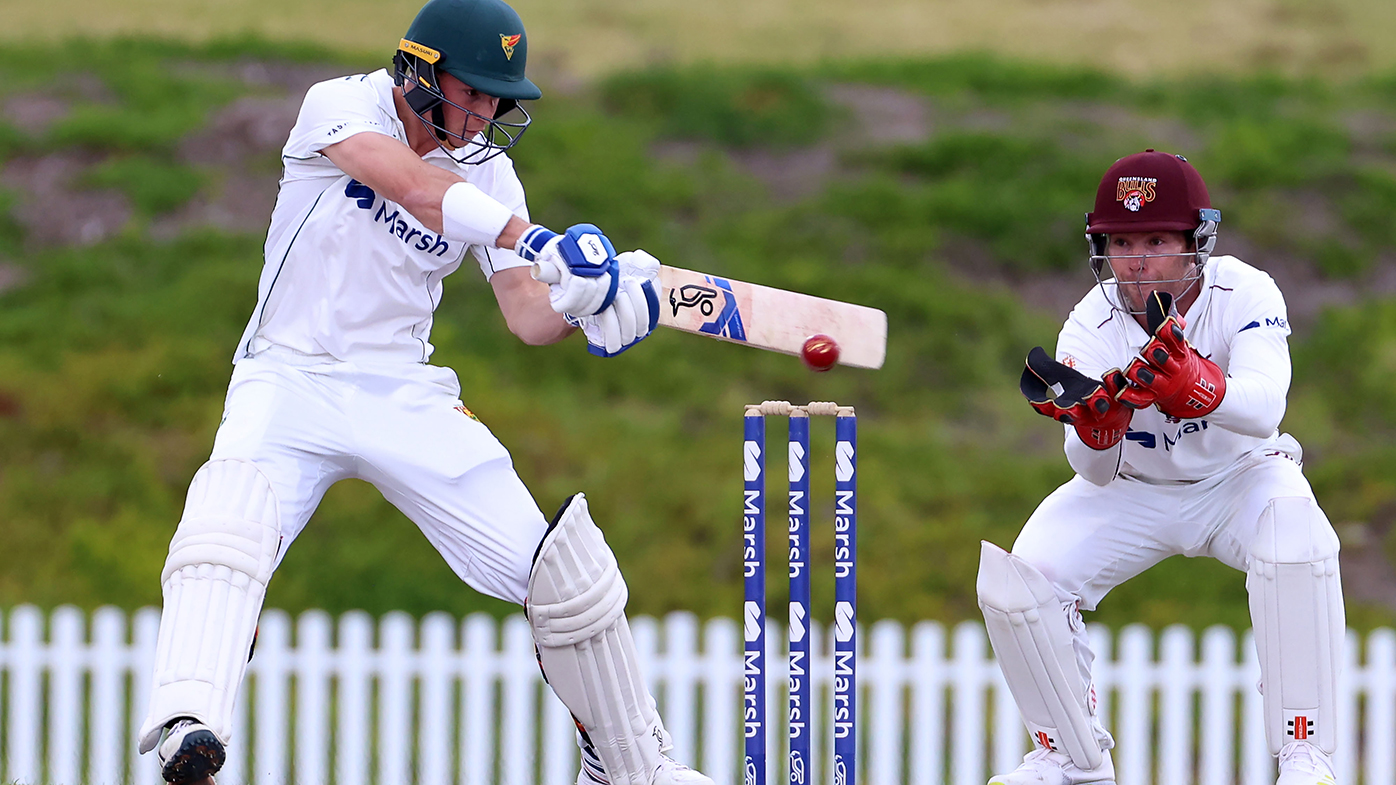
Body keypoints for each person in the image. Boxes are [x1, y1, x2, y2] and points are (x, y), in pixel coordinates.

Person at [135, 1, 712, 784]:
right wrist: (530, 238)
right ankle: (187, 719)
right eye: (470, 91)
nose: (482, 114)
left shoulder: (494, 173)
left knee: (563, 573)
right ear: (419, 67)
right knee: (227, 524)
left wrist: (588, 307)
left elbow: (526, 315)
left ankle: (634, 764)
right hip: (289, 371)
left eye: (495, 99)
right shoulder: (337, 106)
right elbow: (412, 186)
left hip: (402, 387)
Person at [979, 150, 1344, 785]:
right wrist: (1096, 433)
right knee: (1020, 579)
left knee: (1297, 538)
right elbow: (1091, 473)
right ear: (1102, 247)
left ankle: (1303, 752)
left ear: (1195, 241)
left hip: (1241, 477)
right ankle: (1071, 757)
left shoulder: (1245, 290)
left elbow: (1265, 410)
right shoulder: (1089, 324)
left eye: (1156, 238)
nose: (1139, 258)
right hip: (1133, 490)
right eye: (1122, 242)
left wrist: (1198, 384)